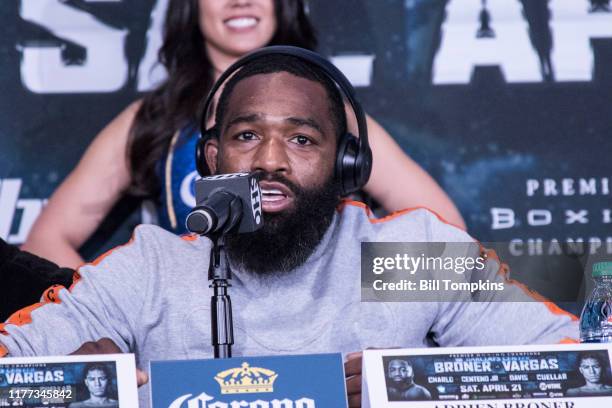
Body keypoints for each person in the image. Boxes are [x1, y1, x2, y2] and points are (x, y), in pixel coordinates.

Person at [1, 52, 577, 408]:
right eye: (247, 136)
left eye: (302, 139)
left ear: (347, 166)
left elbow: (571, 367)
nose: (270, 160)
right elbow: (12, 372)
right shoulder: (147, 269)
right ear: (211, 156)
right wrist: (86, 389)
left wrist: (401, 385)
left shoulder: (405, 255)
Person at [22, 0, 465, 269]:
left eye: (299, 140)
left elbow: (448, 234)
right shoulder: (155, 117)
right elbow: (44, 241)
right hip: (197, 340)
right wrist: (117, 315)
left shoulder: (333, 112)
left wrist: (365, 306)